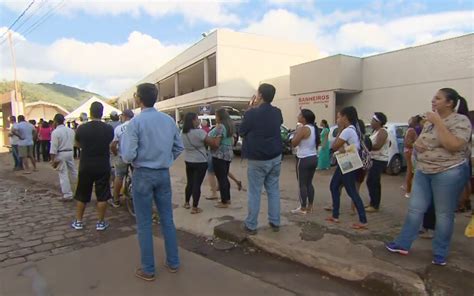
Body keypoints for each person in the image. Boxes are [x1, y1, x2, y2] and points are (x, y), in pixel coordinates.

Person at [386, 88, 471, 266]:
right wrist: (418, 145)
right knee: (415, 209)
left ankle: (440, 252)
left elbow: (453, 144)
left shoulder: (460, 121)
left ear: (449, 103)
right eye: (433, 98)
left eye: (438, 98)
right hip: (424, 171)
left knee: (443, 214)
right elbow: (419, 142)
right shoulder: (429, 122)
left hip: (448, 171)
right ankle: (402, 243)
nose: (433, 101)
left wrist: (438, 122)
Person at [121, 83, 183, 281]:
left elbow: (128, 155)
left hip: (142, 175)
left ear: (139, 99)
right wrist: (165, 160)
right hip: (163, 174)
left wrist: (141, 159)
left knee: (145, 223)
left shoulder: (135, 124)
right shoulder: (168, 120)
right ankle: (173, 262)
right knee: (167, 219)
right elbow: (178, 147)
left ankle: (148, 269)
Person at [240, 83, 283, 234]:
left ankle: (251, 225)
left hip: (257, 159)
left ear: (260, 96)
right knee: (273, 190)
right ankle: (275, 222)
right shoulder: (277, 112)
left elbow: (242, 130)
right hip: (275, 156)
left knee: (254, 192)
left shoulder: (252, 113)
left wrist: (250, 108)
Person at [71, 102, 114, 231]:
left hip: (86, 164)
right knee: (103, 194)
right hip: (102, 164)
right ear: (102, 113)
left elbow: (77, 144)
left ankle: (78, 221)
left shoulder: (81, 128)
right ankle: (100, 222)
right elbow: (110, 143)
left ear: (90, 112)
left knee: (82, 193)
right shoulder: (108, 129)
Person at [327, 107, 368, 229]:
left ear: (345, 117)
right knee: (334, 186)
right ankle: (335, 215)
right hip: (345, 162)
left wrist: (340, 130)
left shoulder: (347, 131)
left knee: (351, 191)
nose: (337, 119)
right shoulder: (353, 129)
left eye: (339, 117)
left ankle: (363, 220)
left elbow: (334, 146)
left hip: (347, 163)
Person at [182, 112, 214, 214]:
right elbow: (212, 143)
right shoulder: (200, 133)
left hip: (188, 160)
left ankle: (187, 202)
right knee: (197, 184)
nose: (198, 121)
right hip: (200, 161)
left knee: (190, 182)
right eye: (197, 119)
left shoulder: (182, 133)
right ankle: (195, 208)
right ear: (193, 121)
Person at [291, 109, 320, 214]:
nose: (298, 116)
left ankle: (303, 207)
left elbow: (294, 143)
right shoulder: (313, 128)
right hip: (313, 157)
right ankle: (310, 206)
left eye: (300, 115)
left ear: (304, 118)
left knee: (302, 184)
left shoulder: (303, 129)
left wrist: (296, 133)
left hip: (303, 158)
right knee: (309, 183)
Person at [208, 109, 235, 208]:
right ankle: (227, 199)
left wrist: (208, 142)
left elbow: (216, 143)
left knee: (221, 178)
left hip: (219, 154)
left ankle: (224, 201)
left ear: (220, 116)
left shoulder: (220, 127)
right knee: (224, 176)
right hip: (228, 153)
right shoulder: (229, 126)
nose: (215, 118)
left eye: (216, 115)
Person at [108, 109, 134, 208]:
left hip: (122, 156)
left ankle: (116, 200)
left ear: (124, 116)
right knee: (137, 177)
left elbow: (113, 145)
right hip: (135, 157)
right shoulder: (138, 125)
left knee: (119, 177)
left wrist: (115, 154)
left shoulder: (119, 128)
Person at [50, 114, 77, 200]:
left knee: (63, 174)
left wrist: (52, 159)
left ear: (56, 121)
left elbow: (53, 147)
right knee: (73, 172)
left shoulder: (55, 132)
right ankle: (78, 191)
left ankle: (67, 194)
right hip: (70, 152)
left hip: (61, 153)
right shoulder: (71, 131)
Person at [365, 112, 389, 212]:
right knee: (371, 181)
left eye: (373, 121)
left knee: (373, 181)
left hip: (380, 160)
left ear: (378, 122)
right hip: (373, 159)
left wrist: (366, 146)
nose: (371, 122)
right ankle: (373, 203)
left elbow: (378, 146)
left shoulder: (382, 132)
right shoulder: (375, 131)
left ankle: (375, 205)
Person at [403, 115, 423, 198]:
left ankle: (408, 189)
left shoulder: (411, 129)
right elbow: (407, 143)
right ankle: (408, 190)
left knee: (411, 171)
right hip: (410, 152)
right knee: (410, 171)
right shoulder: (411, 130)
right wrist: (417, 145)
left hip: (410, 151)